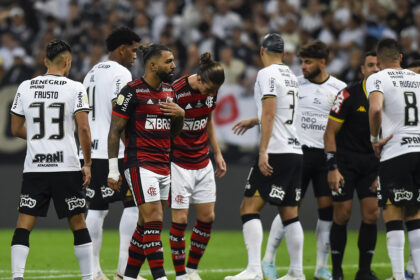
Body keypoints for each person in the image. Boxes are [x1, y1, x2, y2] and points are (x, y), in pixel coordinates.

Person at [261, 40, 347, 280]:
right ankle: (268, 259)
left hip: (324, 157)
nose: (303, 67)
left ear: (322, 62)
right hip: (299, 153)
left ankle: (321, 266)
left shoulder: (340, 88)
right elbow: (275, 112)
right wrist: (252, 121)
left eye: (308, 62)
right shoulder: (295, 84)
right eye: (301, 62)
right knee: (289, 207)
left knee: (326, 211)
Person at [10, 40, 93, 280]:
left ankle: (17, 276)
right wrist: (87, 163)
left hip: (35, 166)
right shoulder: (75, 88)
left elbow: (16, 129)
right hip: (66, 166)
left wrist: (38, 135)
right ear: (67, 61)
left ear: (45, 61)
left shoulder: (25, 87)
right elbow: (84, 129)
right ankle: (88, 277)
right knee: (78, 222)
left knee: (24, 222)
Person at [226, 33, 304, 280]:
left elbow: (270, 114)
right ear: (283, 53)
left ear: (262, 51)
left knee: (249, 207)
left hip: (276, 151)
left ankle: (253, 270)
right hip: (294, 150)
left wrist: (262, 151)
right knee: (289, 213)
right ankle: (296, 272)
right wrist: (254, 119)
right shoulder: (291, 76)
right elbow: (281, 113)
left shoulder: (266, 74)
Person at [107, 43, 184, 280]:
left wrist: (180, 115)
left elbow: (171, 134)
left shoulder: (170, 92)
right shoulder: (131, 92)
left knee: (144, 224)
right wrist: (112, 170)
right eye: (168, 61)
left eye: (173, 61)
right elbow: (114, 131)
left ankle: (128, 276)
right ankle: (160, 277)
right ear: (152, 65)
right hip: (140, 163)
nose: (173, 66)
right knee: (155, 220)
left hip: (163, 164)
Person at [81, 27, 145, 280]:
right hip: (115, 151)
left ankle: (94, 271)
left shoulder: (91, 73)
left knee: (96, 210)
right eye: (133, 50)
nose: (135, 56)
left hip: (92, 152)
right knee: (133, 207)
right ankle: (124, 271)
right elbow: (120, 114)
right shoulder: (122, 73)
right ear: (121, 49)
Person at [169, 52, 226, 280]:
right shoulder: (176, 91)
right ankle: (181, 274)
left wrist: (218, 153)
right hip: (179, 162)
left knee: (207, 217)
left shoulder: (212, 89)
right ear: (199, 79)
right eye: (209, 88)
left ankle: (193, 269)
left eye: (215, 90)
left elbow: (208, 120)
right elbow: (166, 127)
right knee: (180, 220)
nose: (211, 94)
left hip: (202, 161)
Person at [324, 51, 380, 280]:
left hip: (372, 164)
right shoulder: (348, 95)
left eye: (378, 65)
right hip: (345, 163)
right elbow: (330, 132)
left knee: (372, 214)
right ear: (363, 70)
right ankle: (336, 271)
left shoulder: (389, 96)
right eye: (370, 65)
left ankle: (364, 271)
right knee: (342, 215)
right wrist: (332, 167)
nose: (376, 69)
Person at [367, 38, 420, 280]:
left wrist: (374, 138)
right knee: (415, 216)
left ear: (378, 61)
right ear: (401, 57)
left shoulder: (377, 78)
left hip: (395, 151)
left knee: (392, 215)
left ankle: (399, 276)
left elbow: (376, 109)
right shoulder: (418, 79)